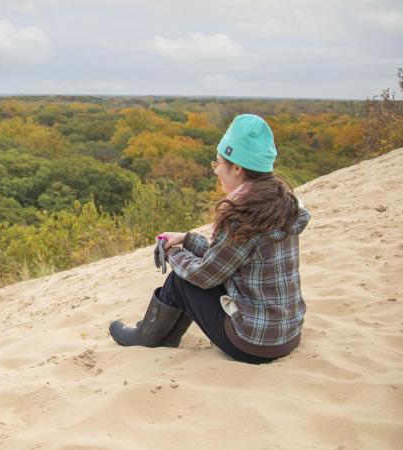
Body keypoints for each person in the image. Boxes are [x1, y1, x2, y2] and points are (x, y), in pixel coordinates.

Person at [109, 114, 311, 364]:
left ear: (237, 167)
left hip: (253, 344)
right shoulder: (278, 205)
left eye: (218, 163)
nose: (216, 170)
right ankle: (163, 338)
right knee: (186, 270)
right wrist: (187, 240)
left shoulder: (245, 216)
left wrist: (173, 254)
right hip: (287, 334)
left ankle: (146, 336)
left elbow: (205, 276)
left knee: (182, 280)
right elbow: (230, 258)